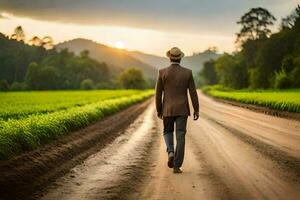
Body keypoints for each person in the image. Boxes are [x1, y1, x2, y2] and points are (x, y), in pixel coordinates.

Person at [155, 47, 199, 173]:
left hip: (167, 109)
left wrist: (159, 109)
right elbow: (193, 93)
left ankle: (170, 152)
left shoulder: (162, 72)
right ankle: (177, 166)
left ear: (169, 58)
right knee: (180, 136)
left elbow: (158, 94)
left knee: (167, 132)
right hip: (182, 110)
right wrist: (196, 109)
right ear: (180, 58)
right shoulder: (188, 73)